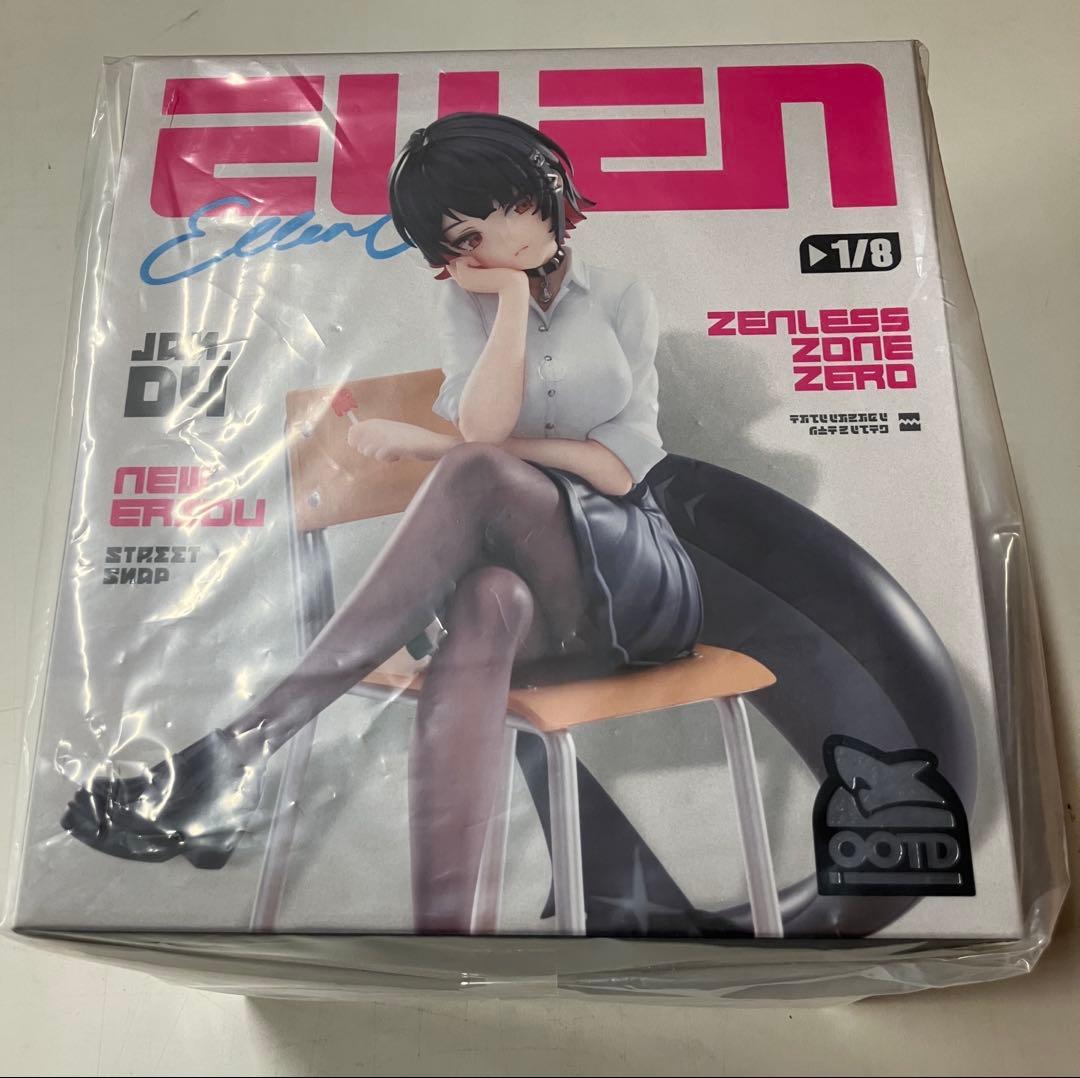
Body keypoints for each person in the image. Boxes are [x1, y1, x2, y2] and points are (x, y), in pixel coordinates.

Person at [62, 112, 704, 935]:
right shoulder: (471, 304)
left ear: (541, 189)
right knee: (488, 599)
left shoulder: (620, 297)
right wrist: (510, 301)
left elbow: (616, 468)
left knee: (474, 471)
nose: (494, 245)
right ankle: (445, 936)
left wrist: (436, 447)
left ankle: (240, 749)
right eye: (466, 239)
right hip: (537, 606)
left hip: (631, 579)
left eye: (505, 210)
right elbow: (483, 424)